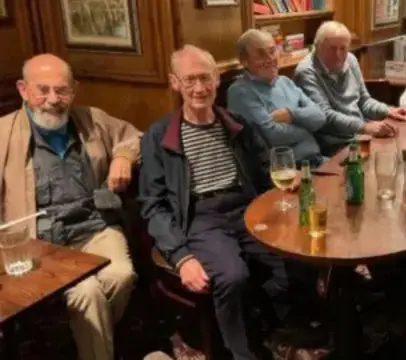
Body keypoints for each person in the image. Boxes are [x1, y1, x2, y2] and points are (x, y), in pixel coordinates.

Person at [138, 45, 292, 360]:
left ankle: (281, 335)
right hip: (201, 216)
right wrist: (181, 257)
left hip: (248, 208)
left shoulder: (236, 124)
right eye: (190, 79)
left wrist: (289, 195)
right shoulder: (158, 136)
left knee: (294, 260)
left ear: (217, 79)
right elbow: (153, 205)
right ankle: (241, 353)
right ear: (174, 83)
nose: (199, 88)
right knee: (233, 276)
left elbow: (267, 173)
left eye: (205, 78)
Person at [0, 54, 140, 360]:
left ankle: (79, 340)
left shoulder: (90, 118)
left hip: (95, 229)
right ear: (23, 90)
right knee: (87, 293)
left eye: (62, 90)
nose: (53, 100)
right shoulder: (3, 134)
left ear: (73, 90)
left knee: (121, 276)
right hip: (42, 245)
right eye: (43, 90)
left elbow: (132, 136)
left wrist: (122, 157)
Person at [294, 20, 406, 156]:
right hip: (333, 145)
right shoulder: (306, 72)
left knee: (400, 151)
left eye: (343, 48)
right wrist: (364, 127)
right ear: (318, 46)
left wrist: (388, 111)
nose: (338, 55)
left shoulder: (351, 60)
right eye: (332, 48)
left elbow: (364, 101)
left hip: (359, 136)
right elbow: (325, 116)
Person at [227, 29, 326, 167]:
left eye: (272, 51)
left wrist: (291, 115)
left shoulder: (285, 82)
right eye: (261, 54)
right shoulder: (240, 92)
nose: (269, 59)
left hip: (318, 160)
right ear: (245, 61)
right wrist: (307, 129)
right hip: (288, 171)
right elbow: (272, 136)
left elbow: (320, 117)